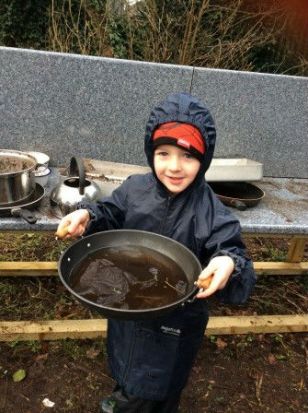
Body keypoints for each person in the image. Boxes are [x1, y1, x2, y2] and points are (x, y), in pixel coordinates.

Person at [56, 92, 256, 413]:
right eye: (163, 153)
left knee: (159, 388)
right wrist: (88, 216)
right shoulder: (135, 189)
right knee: (126, 361)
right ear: (151, 152)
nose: (174, 167)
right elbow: (109, 211)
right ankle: (124, 392)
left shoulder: (211, 212)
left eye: (188, 156)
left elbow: (233, 255)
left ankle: (137, 403)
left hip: (176, 322)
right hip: (129, 303)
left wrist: (228, 263)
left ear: (204, 159)